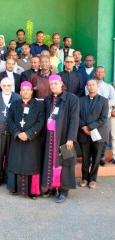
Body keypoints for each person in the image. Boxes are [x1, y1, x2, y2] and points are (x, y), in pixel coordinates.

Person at [42, 74, 80, 203]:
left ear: (61, 84)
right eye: (51, 84)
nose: (53, 86)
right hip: (50, 137)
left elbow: (75, 120)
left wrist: (71, 139)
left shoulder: (71, 98)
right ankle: (52, 187)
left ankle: (63, 190)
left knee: (65, 163)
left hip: (65, 137)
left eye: (56, 83)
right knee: (50, 162)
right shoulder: (48, 99)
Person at [7, 81, 45, 199]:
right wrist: (17, 133)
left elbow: (41, 122)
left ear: (31, 91)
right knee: (16, 162)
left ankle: (32, 191)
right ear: (20, 92)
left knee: (31, 165)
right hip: (17, 139)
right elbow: (9, 120)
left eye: (28, 90)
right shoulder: (14, 104)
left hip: (32, 141)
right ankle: (15, 188)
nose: (25, 92)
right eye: (23, 90)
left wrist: (28, 134)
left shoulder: (39, 105)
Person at [0, 77, 21, 189]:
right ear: (0, 86)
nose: (6, 87)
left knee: (10, 156)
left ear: (12, 86)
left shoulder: (17, 97)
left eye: (9, 85)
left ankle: (8, 178)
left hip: (13, 132)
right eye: (4, 85)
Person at [78, 79, 108, 189]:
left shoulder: (104, 101)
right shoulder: (81, 100)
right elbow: (77, 116)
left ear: (97, 86)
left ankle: (93, 179)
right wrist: (84, 127)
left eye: (93, 85)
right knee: (85, 158)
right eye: (89, 85)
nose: (91, 87)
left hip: (98, 133)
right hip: (84, 133)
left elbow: (103, 118)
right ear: (86, 87)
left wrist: (89, 127)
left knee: (96, 158)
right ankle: (84, 178)